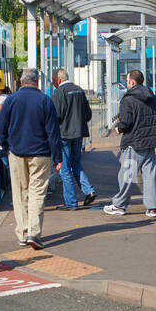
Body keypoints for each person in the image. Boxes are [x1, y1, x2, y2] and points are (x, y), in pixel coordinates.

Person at [0, 68, 62, 249]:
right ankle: (34, 232)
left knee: (19, 194)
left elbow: (0, 128)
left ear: (21, 81)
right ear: (37, 81)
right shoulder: (45, 101)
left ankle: (23, 234)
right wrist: (57, 157)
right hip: (41, 154)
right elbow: (53, 133)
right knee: (37, 193)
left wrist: (7, 147)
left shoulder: (11, 100)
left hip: (16, 154)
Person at [103, 69, 156, 218]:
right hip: (150, 141)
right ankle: (152, 207)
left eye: (127, 80)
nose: (126, 83)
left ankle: (119, 205)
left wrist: (119, 128)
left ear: (132, 82)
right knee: (149, 176)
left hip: (134, 142)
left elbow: (126, 122)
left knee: (127, 176)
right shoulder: (152, 98)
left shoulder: (128, 100)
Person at [52, 68, 96, 210]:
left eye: (54, 81)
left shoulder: (59, 92)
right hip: (79, 134)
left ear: (58, 80)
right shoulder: (79, 90)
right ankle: (89, 190)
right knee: (76, 163)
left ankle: (71, 202)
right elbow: (88, 114)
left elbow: (57, 115)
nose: (54, 83)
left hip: (64, 135)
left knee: (65, 169)